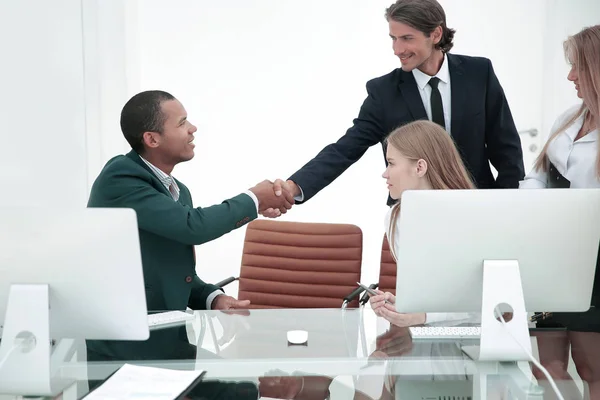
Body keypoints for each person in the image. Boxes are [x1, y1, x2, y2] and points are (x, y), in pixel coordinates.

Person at [85, 90, 295, 399]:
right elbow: (193, 227)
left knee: (245, 387)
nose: (193, 128)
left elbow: (171, 268)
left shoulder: (177, 191)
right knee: (239, 391)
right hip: (126, 351)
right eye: (182, 122)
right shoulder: (121, 178)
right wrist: (254, 199)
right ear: (152, 139)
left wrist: (212, 298)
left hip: (167, 344)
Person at [267, 0, 524, 213]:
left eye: (406, 38)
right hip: (412, 213)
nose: (397, 49)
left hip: (476, 206)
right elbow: (344, 150)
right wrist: (294, 186)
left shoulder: (479, 73)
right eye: (393, 38)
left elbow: (506, 147)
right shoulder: (383, 92)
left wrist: (506, 205)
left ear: (435, 34)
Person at [520, 25, 600, 399]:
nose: (570, 76)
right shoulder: (569, 117)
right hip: (552, 255)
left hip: (592, 262)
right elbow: (536, 174)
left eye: (577, 67)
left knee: (591, 368)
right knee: (547, 369)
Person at [368, 120, 479, 327]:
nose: (385, 173)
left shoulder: (471, 216)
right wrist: (399, 305)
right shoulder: (395, 218)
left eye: (391, 163)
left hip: (469, 340)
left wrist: (424, 316)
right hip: (422, 340)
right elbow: (426, 294)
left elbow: (485, 304)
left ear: (419, 167)